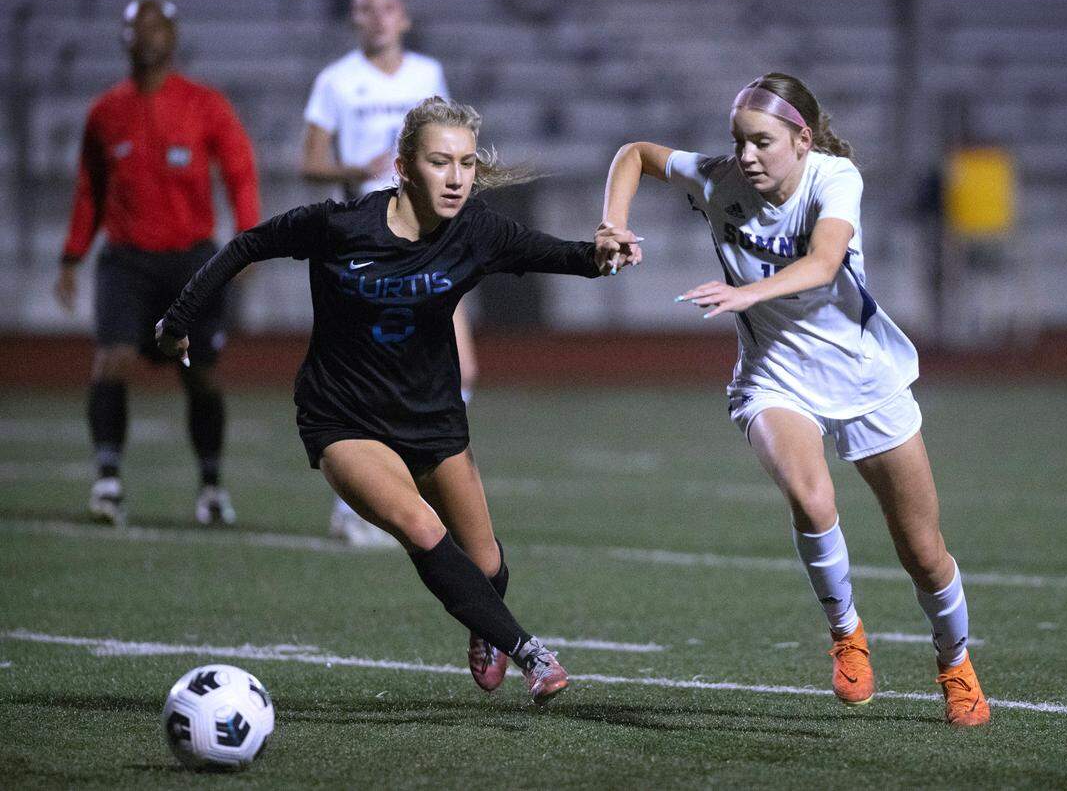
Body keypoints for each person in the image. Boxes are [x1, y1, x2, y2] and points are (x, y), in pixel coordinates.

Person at [156, 96, 641, 704]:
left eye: (466, 162)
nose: (458, 177)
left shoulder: (477, 232)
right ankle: (532, 655)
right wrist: (179, 319)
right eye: (441, 162)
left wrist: (603, 254)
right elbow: (247, 244)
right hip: (343, 417)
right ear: (404, 167)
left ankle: (484, 624)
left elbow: (564, 256)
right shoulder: (340, 226)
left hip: (432, 418)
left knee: (488, 568)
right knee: (419, 524)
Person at [597, 73, 990, 727]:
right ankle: (847, 632)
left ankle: (955, 662)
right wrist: (612, 222)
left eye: (761, 142)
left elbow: (826, 260)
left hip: (866, 378)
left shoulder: (834, 179)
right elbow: (635, 154)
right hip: (773, 376)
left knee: (923, 549)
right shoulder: (718, 177)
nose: (745, 155)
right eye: (738, 141)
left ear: (802, 140)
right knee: (811, 498)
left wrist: (747, 294)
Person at [54, 0, 260, 527]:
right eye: (136, 27)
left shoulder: (205, 105)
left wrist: (248, 237)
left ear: (173, 37)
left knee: (202, 376)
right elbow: (89, 191)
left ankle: (211, 487)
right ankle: (108, 480)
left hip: (192, 263)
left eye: (157, 27)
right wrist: (72, 257)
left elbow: (239, 171)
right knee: (111, 361)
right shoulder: (104, 113)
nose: (147, 36)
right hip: (126, 261)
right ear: (122, 38)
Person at [301, 0, 477, 546]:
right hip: (368, 242)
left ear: (403, 18)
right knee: (368, 376)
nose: (378, 19)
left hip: (428, 236)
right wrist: (356, 165)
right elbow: (310, 164)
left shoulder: (426, 75)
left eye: (388, 8)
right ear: (355, 20)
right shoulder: (336, 81)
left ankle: (411, 494)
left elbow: (450, 139)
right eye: (366, 10)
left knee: (459, 368)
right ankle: (357, 506)